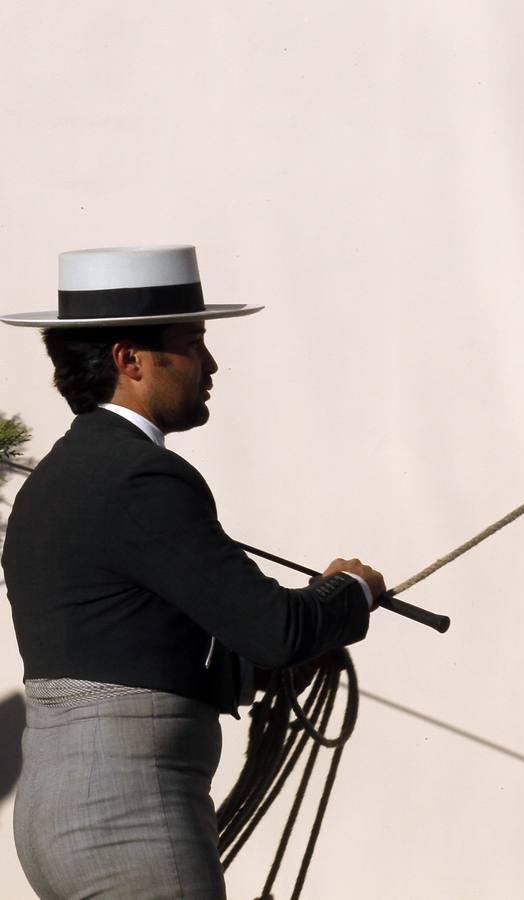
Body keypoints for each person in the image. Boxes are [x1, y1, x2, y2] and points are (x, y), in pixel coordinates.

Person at [1, 245, 385, 899]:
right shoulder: (142, 477)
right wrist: (350, 591)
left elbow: (129, 648)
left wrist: (258, 670)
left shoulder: (58, 476)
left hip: (60, 816)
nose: (209, 365)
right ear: (130, 360)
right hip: (129, 816)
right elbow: (279, 630)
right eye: (192, 343)